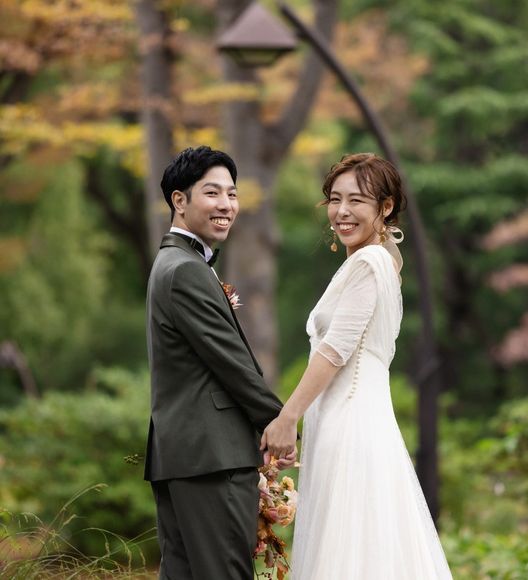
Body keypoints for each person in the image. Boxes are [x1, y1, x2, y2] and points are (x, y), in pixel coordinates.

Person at [261, 153, 453, 579]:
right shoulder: (376, 260)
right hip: (349, 421)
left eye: (357, 200)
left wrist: (287, 417)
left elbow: (335, 351)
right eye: (335, 199)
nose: (342, 211)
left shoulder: (369, 263)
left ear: (385, 207)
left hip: (351, 425)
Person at [144, 145, 296, 579]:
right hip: (213, 456)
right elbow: (230, 362)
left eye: (232, 194)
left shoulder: (174, 263)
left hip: (186, 454)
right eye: (212, 193)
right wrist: (279, 425)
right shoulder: (185, 269)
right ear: (179, 200)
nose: (226, 205)